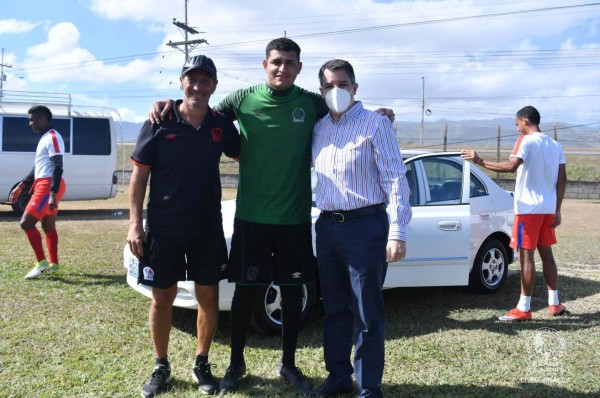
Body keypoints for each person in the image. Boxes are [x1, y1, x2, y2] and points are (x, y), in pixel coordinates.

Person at [149, 38, 394, 395]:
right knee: (245, 293)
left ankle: (289, 365)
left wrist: (381, 113)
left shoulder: (312, 103)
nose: (282, 68)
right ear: (264, 64)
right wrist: (167, 105)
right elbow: (200, 111)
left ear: (299, 68)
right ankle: (235, 364)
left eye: (290, 63)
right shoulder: (242, 99)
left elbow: (347, 109)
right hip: (251, 217)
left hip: (294, 219)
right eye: (276, 61)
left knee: (293, 293)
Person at [128, 55, 240, 397]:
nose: (198, 86)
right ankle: (160, 365)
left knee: (209, 296)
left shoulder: (221, 124)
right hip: (164, 226)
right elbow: (139, 176)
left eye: (206, 81)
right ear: (181, 82)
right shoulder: (159, 120)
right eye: (192, 79)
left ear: (214, 86)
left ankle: (202, 363)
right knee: (163, 297)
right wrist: (135, 225)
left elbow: (246, 154)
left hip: (207, 225)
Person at [310, 59, 411, 398]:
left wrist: (397, 231)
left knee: (368, 311)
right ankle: (338, 375)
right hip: (327, 227)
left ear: (354, 87)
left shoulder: (375, 124)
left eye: (342, 84)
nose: (335, 90)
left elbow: (395, 177)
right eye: (328, 85)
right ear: (321, 91)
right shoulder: (318, 127)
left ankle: (368, 386)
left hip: (366, 226)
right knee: (334, 308)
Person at [461, 105, 567, 322]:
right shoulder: (555, 145)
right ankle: (554, 303)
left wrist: (479, 161)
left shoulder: (525, 141)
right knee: (547, 255)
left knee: (526, 258)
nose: (517, 127)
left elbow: (511, 167)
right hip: (547, 209)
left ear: (525, 120)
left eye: (517, 123)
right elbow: (562, 179)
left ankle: (524, 308)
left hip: (528, 210)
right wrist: (557, 209)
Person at [9, 105, 67, 279]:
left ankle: (41, 263)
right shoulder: (44, 138)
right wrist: (22, 184)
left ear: (42, 119)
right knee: (48, 225)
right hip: (44, 184)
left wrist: (52, 193)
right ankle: (54, 264)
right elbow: (39, 167)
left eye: (31, 119)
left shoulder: (52, 137)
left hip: (48, 186)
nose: (29, 123)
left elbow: (58, 166)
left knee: (26, 223)